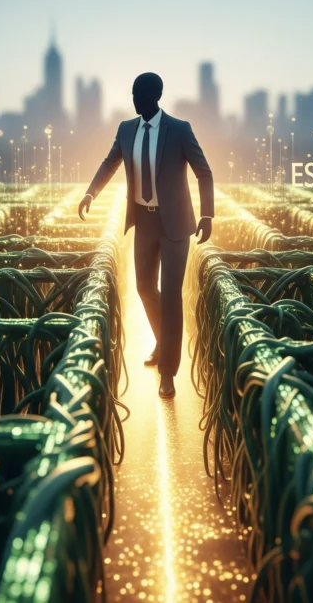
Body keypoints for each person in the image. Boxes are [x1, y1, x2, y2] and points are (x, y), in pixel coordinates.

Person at [78, 72, 214, 398]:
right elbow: (109, 163)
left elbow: (203, 172)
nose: (135, 100)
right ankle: (163, 343)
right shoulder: (127, 130)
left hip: (176, 226)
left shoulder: (179, 130)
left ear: (155, 96)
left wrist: (207, 214)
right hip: (145, 222)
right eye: (133, 93)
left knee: (170, 296)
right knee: (143, 288)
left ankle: (168, 372)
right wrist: (90, 193)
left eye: (140, 94)